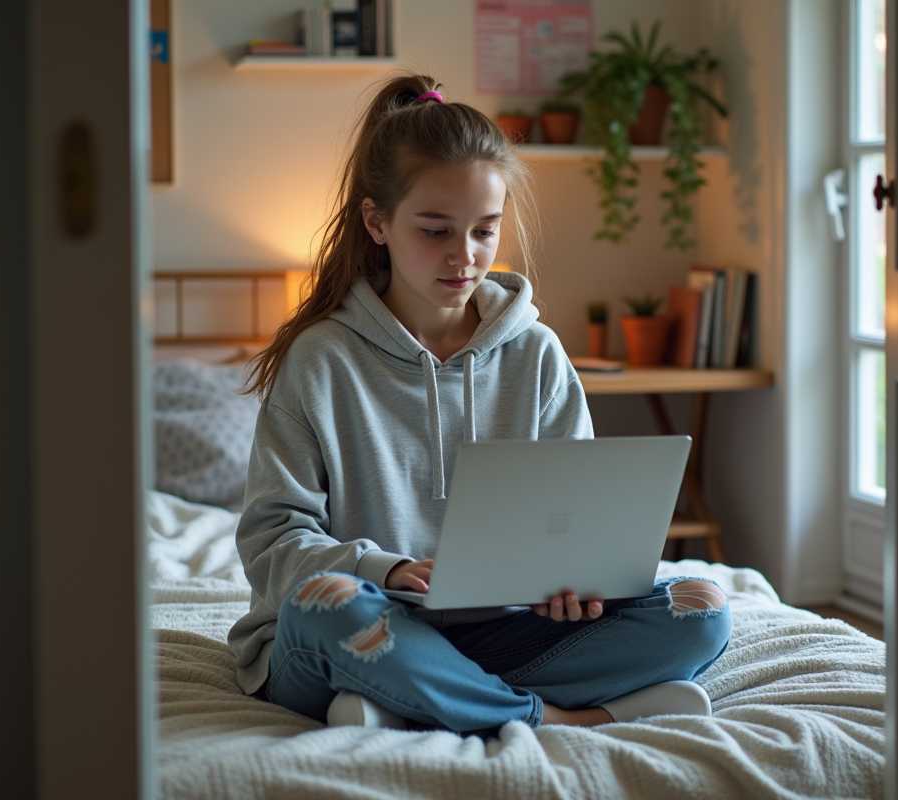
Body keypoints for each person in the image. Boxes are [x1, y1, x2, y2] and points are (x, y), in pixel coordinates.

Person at [228, 74, 732, 734]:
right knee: (329, 609)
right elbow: (272, 543)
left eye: (484, 231)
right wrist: (392, 569)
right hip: (373, 621)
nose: (463, 257)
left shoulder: (538, 354)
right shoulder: (321, 360)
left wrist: (577, 583)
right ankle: (553, 714)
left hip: (505, 629)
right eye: (435, 231)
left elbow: (576, 516)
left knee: (702, 607)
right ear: (376, 221)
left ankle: (411, 702)